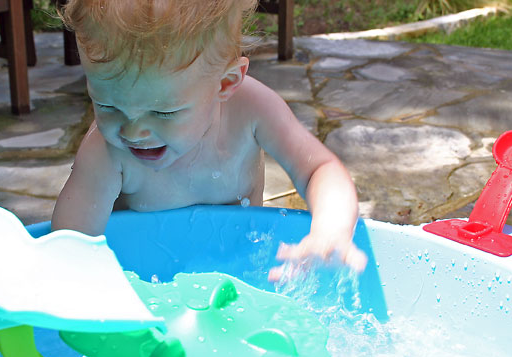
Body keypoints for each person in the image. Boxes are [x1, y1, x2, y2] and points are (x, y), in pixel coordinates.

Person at [51, 0, 367, 277]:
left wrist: (331, 228)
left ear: (225, 84)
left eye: (163, 113)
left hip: (241, 278)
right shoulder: (106, 153)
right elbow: (68, 251)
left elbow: (319, 169)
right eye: (107, 106)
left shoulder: (253, 111)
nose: (132, 131)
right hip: (146, 288)